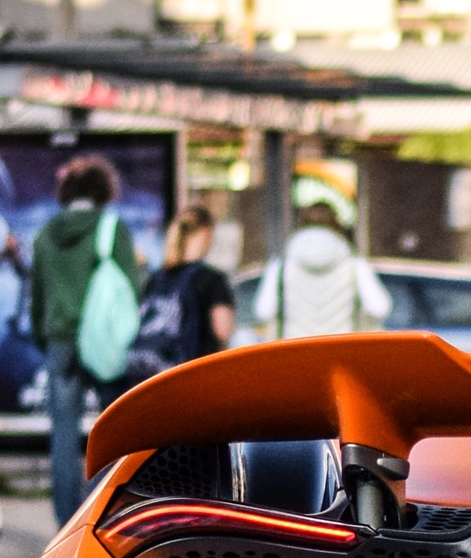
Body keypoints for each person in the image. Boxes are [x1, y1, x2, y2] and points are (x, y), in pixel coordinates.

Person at [30, 154, 142, 522]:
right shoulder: (111, 227)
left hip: (59, 341)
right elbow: (130, 288)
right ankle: (102, 517)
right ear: (103, 190)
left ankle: (65, 525)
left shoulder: (46, 232)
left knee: (63, 437)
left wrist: (43, 336)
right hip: (103, 342)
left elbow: (37, 293)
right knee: (115, 434)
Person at [251, 202, 390, 344]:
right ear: (337, 226)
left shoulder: (280, 266)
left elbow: (263, 311)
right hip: (342, 354)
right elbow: (379, 308)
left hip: (294, 352)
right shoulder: (355, 265)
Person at [129, 204, 237, 380]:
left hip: (145, 376)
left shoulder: (156, 278)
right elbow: (223, 330)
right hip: (188, 378)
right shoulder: (211, 279)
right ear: (206, 233)